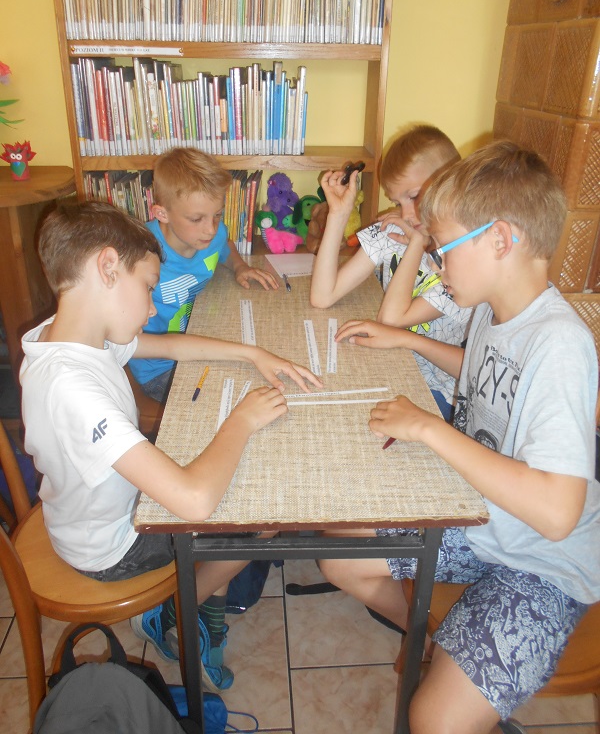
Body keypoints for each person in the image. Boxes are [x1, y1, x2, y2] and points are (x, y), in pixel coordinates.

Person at [319, 141, 600, 734]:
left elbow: (557, 513)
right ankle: (443, 643)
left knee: (433, 720)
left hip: (541, 563)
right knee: (338, 552)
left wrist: (427, 428)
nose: (439, 265)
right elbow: (479, 369)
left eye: (445, 248)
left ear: (499, 240)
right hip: (482, 521)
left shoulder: (560, 345)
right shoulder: (495, 313)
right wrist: (409, 340)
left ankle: (458, 676)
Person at [19, 201, 322, 692]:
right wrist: (242, 419)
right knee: (264, 513)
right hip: (115, 545)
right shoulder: (71, 389)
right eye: (148, 286)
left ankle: (197, 599)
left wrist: (253, 353)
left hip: (92, 510)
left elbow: (172, 345)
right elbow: (194, 501)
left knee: (221, 459)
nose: (153, 307)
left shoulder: (72, 336)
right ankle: (170, 611)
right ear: (108, 267)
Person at [310, 124, 471, 420]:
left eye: (415, 196)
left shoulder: (461, 263)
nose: (406, 214)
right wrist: (339, 213)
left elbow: (391, 321)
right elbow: (322, 296)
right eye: (398, 202)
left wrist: (417, 244)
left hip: (436, 392)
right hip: (389, 365)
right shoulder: (394, 231)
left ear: (451, 188)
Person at [128, 147, 280, 404]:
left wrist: (239, 266)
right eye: (196, 219)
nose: (210, 229)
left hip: (202, 332)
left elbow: (223, 244)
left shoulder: (213, 233)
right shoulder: (137, 256)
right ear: (162, 213)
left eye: (217, 215)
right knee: (222, 403)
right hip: (159, 367)